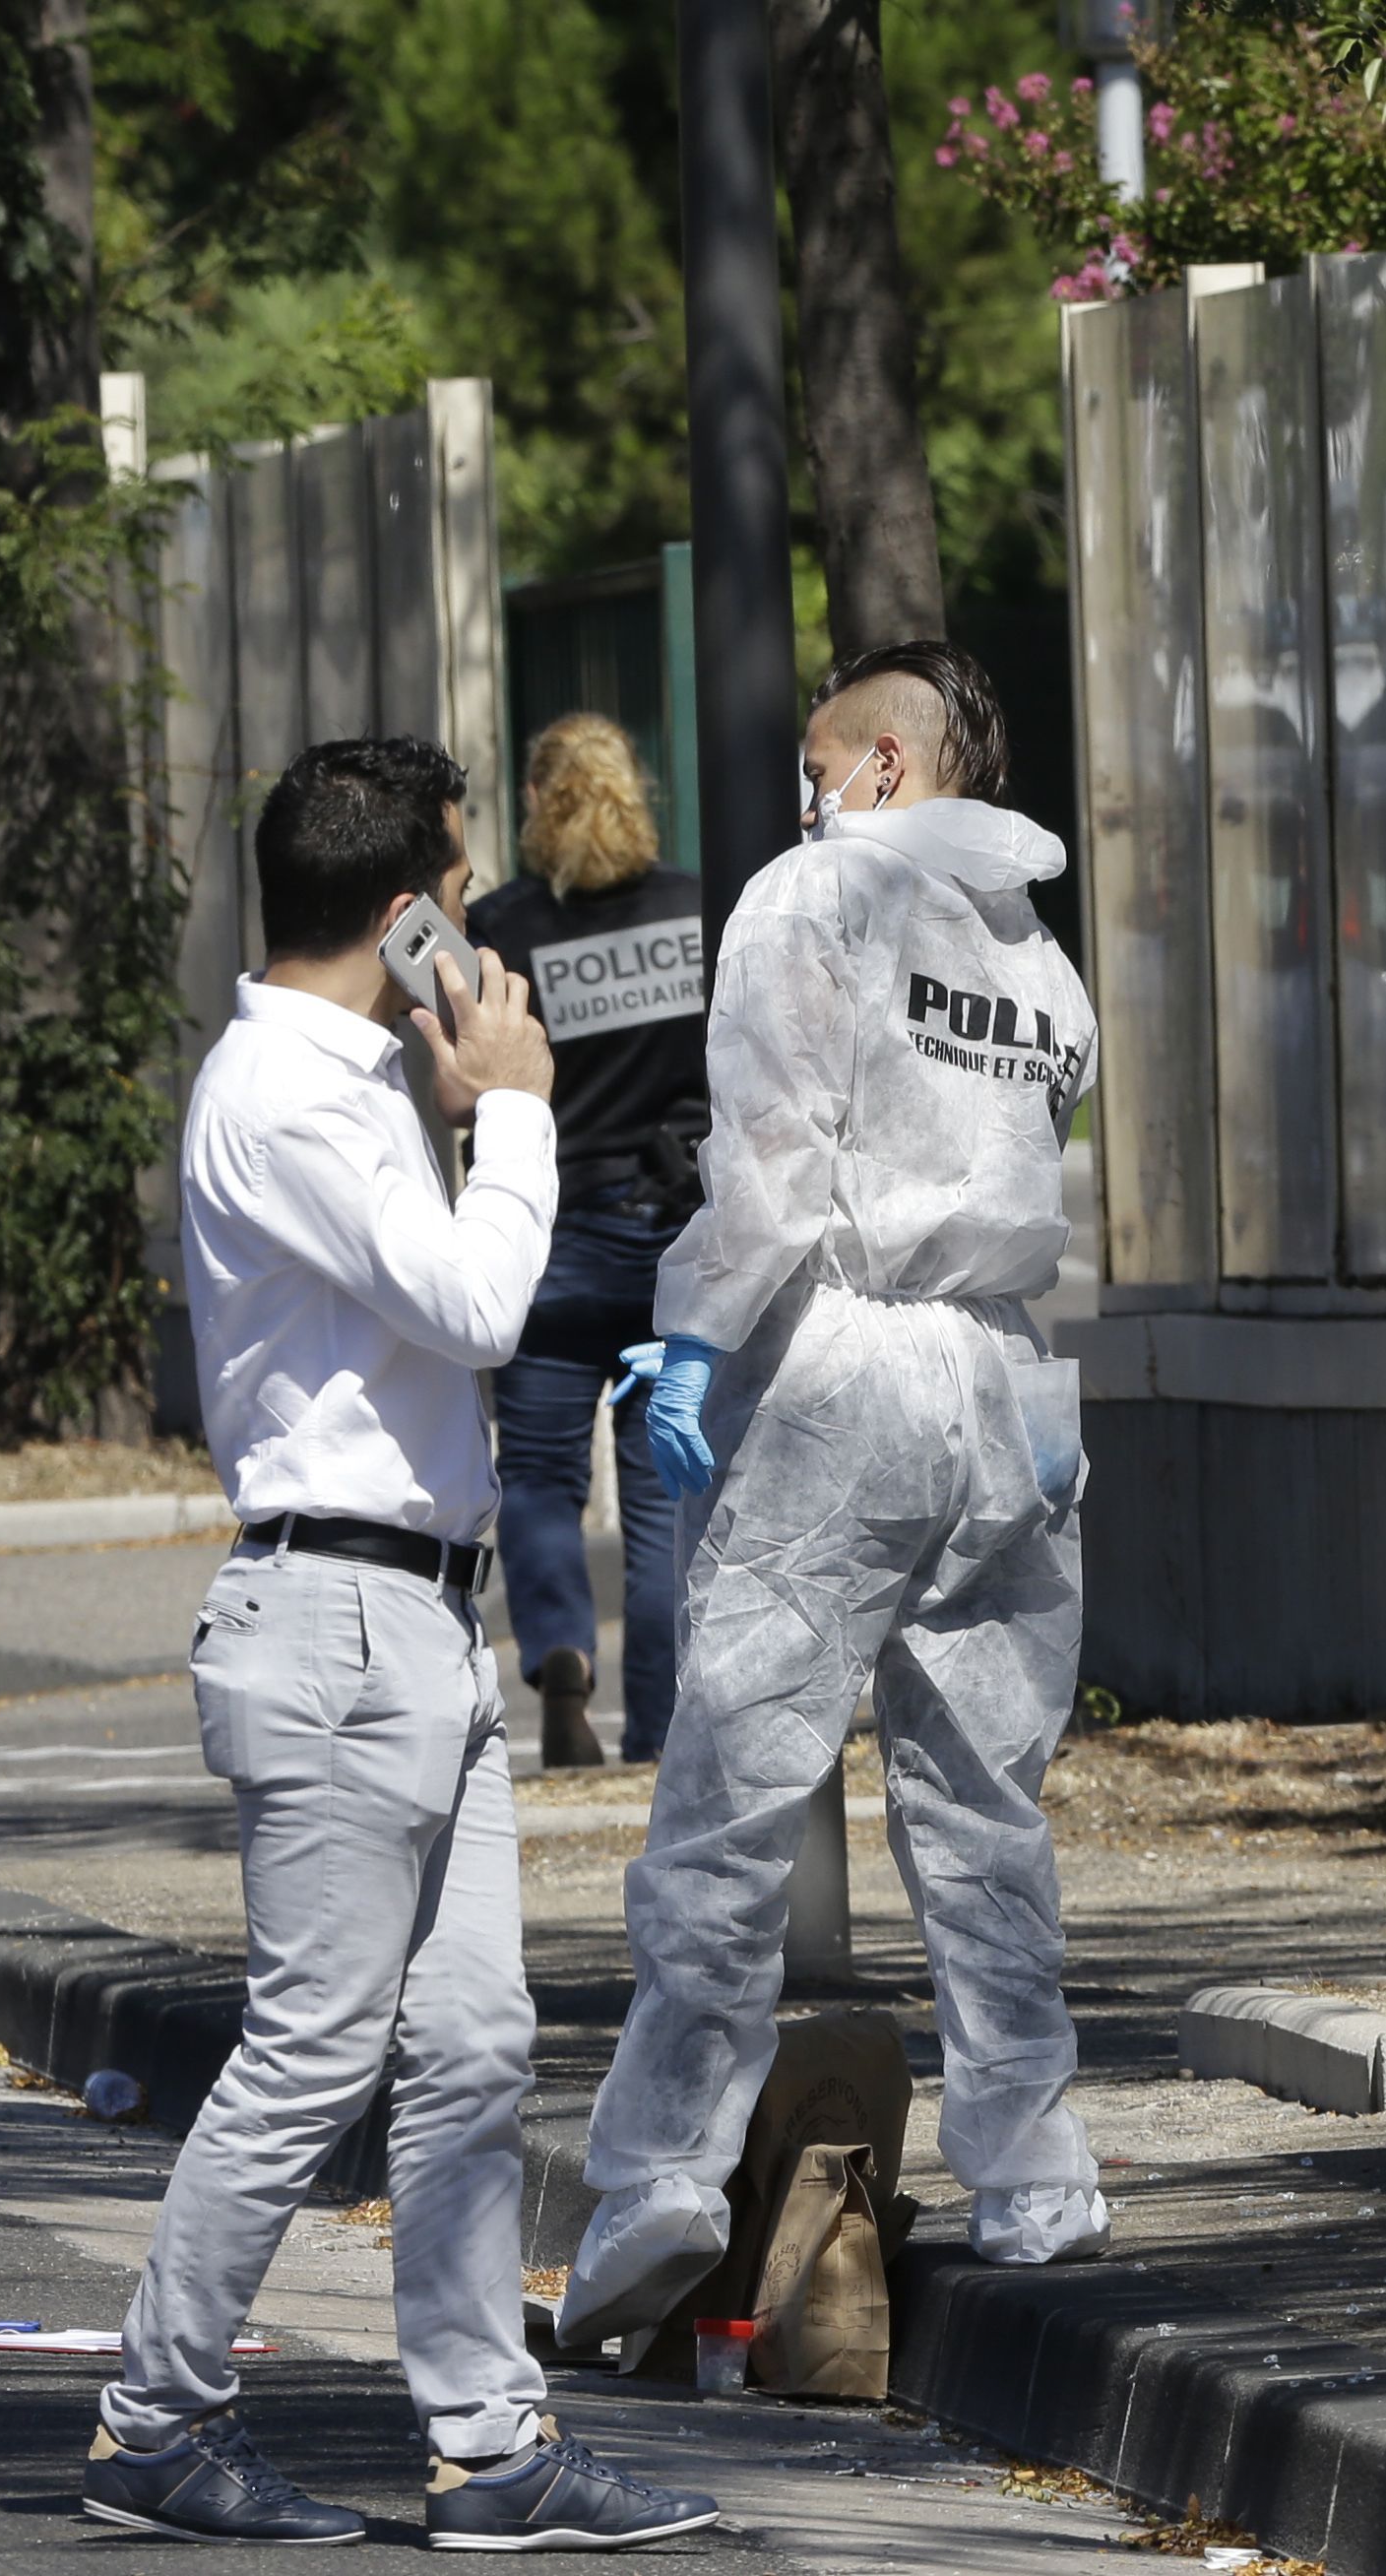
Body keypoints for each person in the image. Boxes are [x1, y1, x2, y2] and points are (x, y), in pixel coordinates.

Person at [84, 737, 712, 2551]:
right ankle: (152, 2412)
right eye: (458, 887)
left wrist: (458, 1099)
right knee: (313, 2048)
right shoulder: (279, 1090)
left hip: (416, 1622)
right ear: (407, 907)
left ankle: (490, 2442)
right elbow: (474, 1304)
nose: (485, 936)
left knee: (473, 2045)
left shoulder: (349, 1077)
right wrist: (514, 1099)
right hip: (339, 1616)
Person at [559, 642, 1109, 2351]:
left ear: (880, 763)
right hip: (1009, 1381)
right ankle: (1033, 2173)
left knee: (736, 1775)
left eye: (820, 757)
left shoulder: (815, 900)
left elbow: (775, 1162)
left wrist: (696, 1342)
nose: (805, 789)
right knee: (983, 1803)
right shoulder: (1034, 947)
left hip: (851, 1363)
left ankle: (661, 2171)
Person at [465, 715, 709, 1767]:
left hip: (549, 1237)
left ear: (534, 802)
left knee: (535, 1479)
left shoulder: (500, 928)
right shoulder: (698, 910)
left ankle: (560, 1658)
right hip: (670, 1242)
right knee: (660, 1495)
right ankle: (655, 1730)